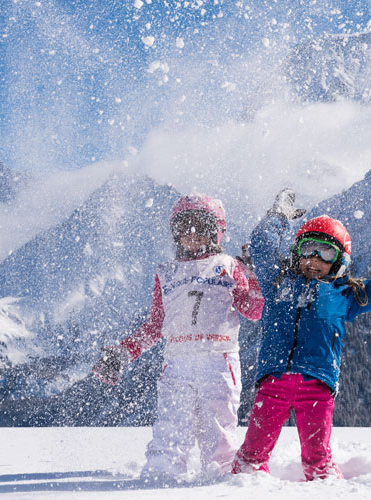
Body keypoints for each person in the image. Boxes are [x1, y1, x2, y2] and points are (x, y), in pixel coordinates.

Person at [231, 189, 371, 480]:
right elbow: (263, 244)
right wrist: (279, 215)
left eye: (326, 252)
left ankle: (328, 491)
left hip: (316, 387)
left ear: (339, 261)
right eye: (307, 248)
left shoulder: (346, 294)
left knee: (318, 462)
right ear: (296, 251)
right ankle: (238, 491)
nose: (314, 258)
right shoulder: (277, 281)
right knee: (250, 459)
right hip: (272, 383)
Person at [92, 193, 264, 484]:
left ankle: (220, 482)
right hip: (177, 364)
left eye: (200, 227)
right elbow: (155, 325)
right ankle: (162, 478)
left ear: (216, 231)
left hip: (219, 361)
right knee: (171, 429)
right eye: (184, 228)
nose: (192, 235)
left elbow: (254, 310)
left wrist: (254, 273)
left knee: (219, 435)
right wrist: (124, 352)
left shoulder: (229, 265)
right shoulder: (167, 273)